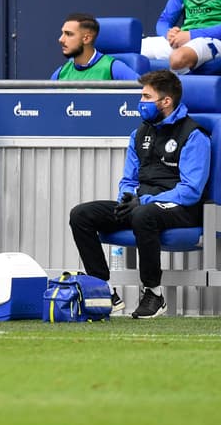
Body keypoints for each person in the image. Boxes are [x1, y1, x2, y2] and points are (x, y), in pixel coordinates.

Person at [68, 70, 210, 319]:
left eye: (146, 96)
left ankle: (154, 293)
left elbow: (191, 191)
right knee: (81, 214)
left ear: (166, 101)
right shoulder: (139, 133)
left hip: (180, 209)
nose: (141, 102)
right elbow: (128, 179)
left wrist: (143, 201)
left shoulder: (194, 135)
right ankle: (102, 289)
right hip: (141, 205)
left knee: (144, 214)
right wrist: (126, 197)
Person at [52, 13, 140, 81]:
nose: (61, 39)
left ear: (86, 38)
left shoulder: (114, 68)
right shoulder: (59, 74)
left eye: (69, 34)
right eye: (62, 33)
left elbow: (148, 92)